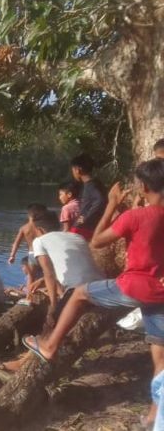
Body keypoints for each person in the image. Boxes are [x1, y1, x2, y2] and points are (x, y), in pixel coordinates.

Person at [22, 159, 164, 426]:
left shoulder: (135, 217)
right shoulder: (144, 215)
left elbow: (97, 241)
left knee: (79, 294)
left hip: (133, 286)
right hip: (161, 293)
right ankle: (154, 416)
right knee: (161, 357)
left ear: (144, 187)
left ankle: (50, 346)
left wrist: (111, 205)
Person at [0, 210, 105, 372]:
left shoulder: (39, 241)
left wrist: (54, 305)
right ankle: (28, 358)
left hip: (79, 291)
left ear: (39, 230)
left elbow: (48, 273)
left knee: (50, 324)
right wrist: (43, 282)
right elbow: (68, 267)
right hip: (102, 287)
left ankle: (24, 364)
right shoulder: (76, 236)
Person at [69, 153, 107, 240]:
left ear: (78, 170)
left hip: (82, 229)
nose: (73, 173)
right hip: (89, 227)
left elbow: (100, 200)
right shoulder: (96, 183)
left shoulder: (90, 185)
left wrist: (85, 218)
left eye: (73, 170)